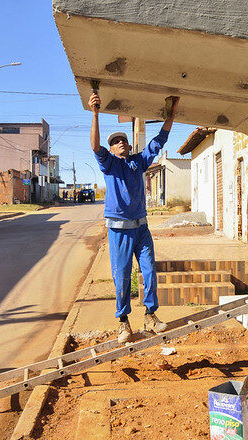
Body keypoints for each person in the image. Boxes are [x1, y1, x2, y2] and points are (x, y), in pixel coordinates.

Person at [88, 92, 180, 344]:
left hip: (141, 228)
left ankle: (151, 316)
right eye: (115, 142)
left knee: (149, 271)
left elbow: (159, 140)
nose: (120, 143)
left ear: (129, 145)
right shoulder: (109, 164)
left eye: (123, 141)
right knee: (122, 275)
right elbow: (95, 146)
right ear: (112, 148)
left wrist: (171, 115)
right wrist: (95, 113)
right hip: (118, 230)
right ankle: (123, 322)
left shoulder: (138, 162)